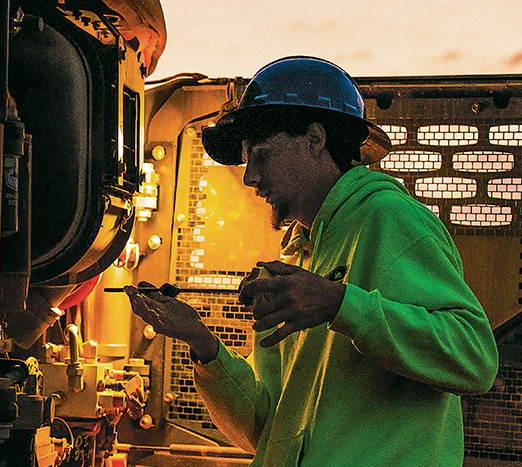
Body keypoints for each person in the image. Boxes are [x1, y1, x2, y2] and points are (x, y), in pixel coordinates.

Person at [125, 56, 499, 466]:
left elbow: (475, 358)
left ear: (315, 139)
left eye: (261, 156)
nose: (249, 178)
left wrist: (340, 303)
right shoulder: (299, 253)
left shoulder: (387, 217)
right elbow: (264, 427)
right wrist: (201, 343)